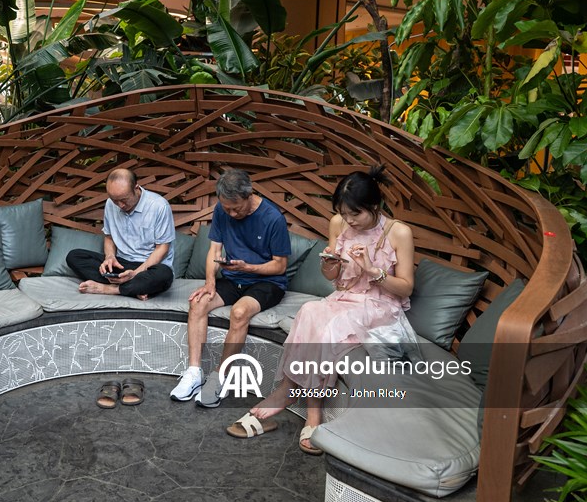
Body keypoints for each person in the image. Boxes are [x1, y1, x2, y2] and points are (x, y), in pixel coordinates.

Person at [228, 165, 419, 452]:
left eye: (356, 214)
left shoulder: (399, 232)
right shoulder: (337, 224)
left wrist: (372, 270)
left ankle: (290, 393)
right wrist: (328, 264)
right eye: (344, 213)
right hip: (345, 299)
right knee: (308, 312)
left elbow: (406, 287)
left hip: (380, 306)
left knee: (329, 328)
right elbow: (334, 278)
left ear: (375, 206)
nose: (349, 221)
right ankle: (310, 412)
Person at [171, 169, 291, 408]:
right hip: (233, 277)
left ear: (249, 195)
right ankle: (194, 373)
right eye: (227, 209)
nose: (232, 213)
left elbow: (280, 266)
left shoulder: (272, 218)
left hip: (266, 283)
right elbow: (214, 251)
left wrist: (250, 267)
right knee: (198, 302)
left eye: (237, 208)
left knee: (239, 312)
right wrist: (210, 283)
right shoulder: (221, 210)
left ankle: (220, 376)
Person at [66, 168, 175, 300]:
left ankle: (110, 289)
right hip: (121, 266)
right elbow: (109, 237)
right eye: (115, 200)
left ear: (136, 188)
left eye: (124, 199)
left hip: (149, 268)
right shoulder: (111, 204)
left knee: (164, 274)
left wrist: (135, 274)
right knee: (74, 256)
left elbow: (162, 248)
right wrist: (110, 257)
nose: (120, 205)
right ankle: (134, 288)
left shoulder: (159, 206)